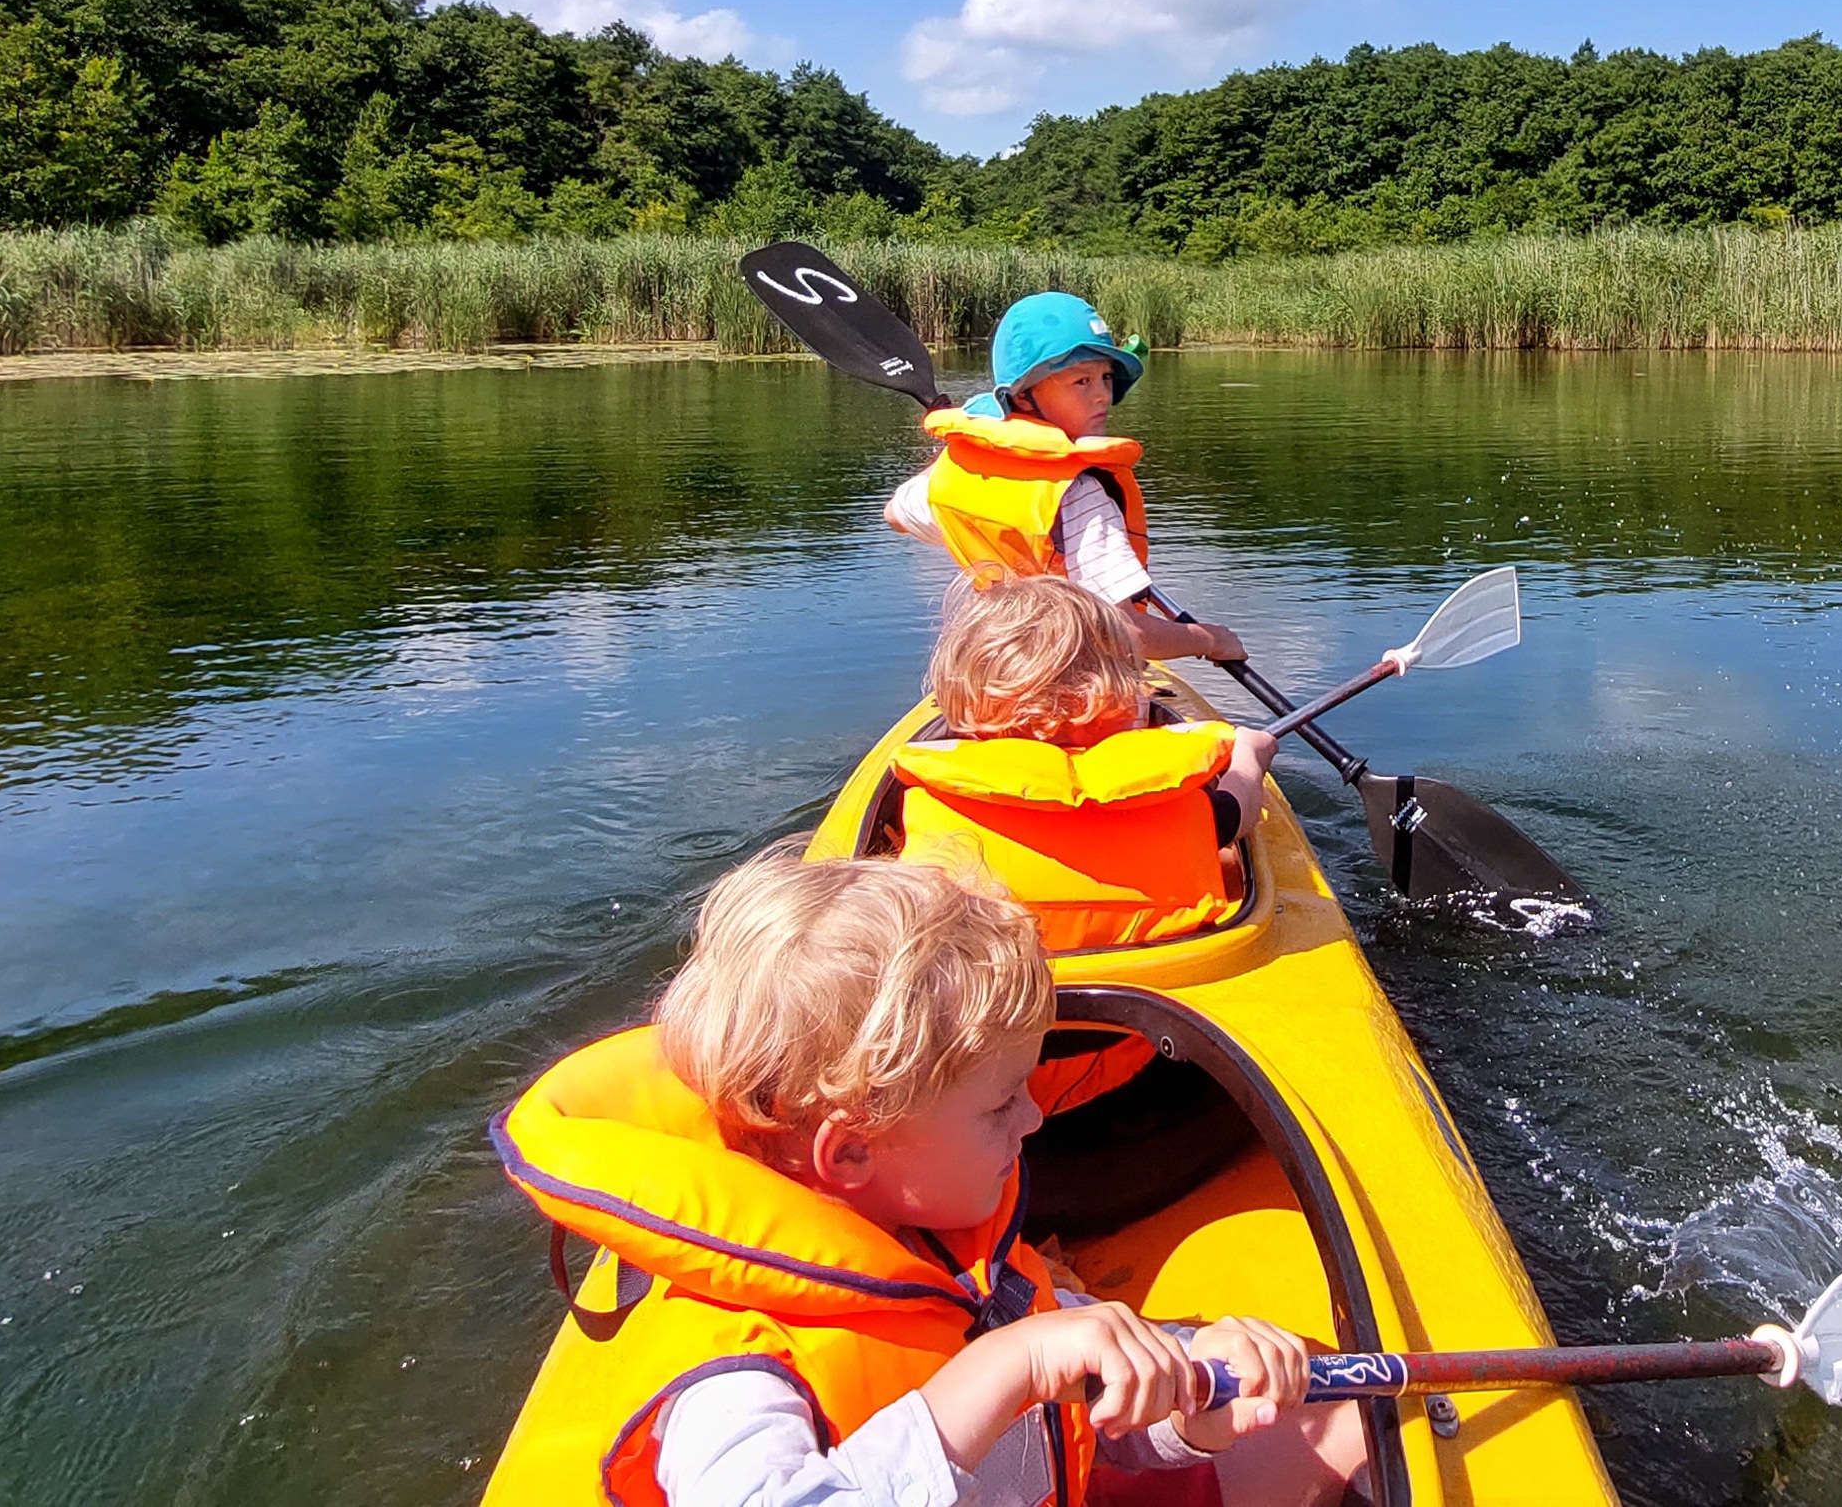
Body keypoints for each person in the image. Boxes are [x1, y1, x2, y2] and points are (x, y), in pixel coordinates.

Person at [492, 854, 1364, 1507]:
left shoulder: (944, 1238)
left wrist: (1184, 1412)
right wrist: (1004, 1365)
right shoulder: (735, 1377)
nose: (1033, 1120)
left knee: (1340, 1414)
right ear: (852, 1153)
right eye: (999, 1106)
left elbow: (1070, 1438)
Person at [889, 575, 1275, 951]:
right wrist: (1249, 754)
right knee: (1222, 857)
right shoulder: (1169, 797)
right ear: (1112, 695)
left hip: (988, 970)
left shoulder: (935, 796)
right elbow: (1241, 812)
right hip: (1164, 960)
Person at [886, 292, 1245, 666]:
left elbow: (895, 514)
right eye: (1081, 382)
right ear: (1024, 396)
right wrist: (1211, 639)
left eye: (1105, 377)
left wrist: (956, 446)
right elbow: (1126, 637)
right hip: (1075, 682)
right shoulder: (1080, 493)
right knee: (1252, 731)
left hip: (996, 672)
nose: (1103, 395)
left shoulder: (956, 471)